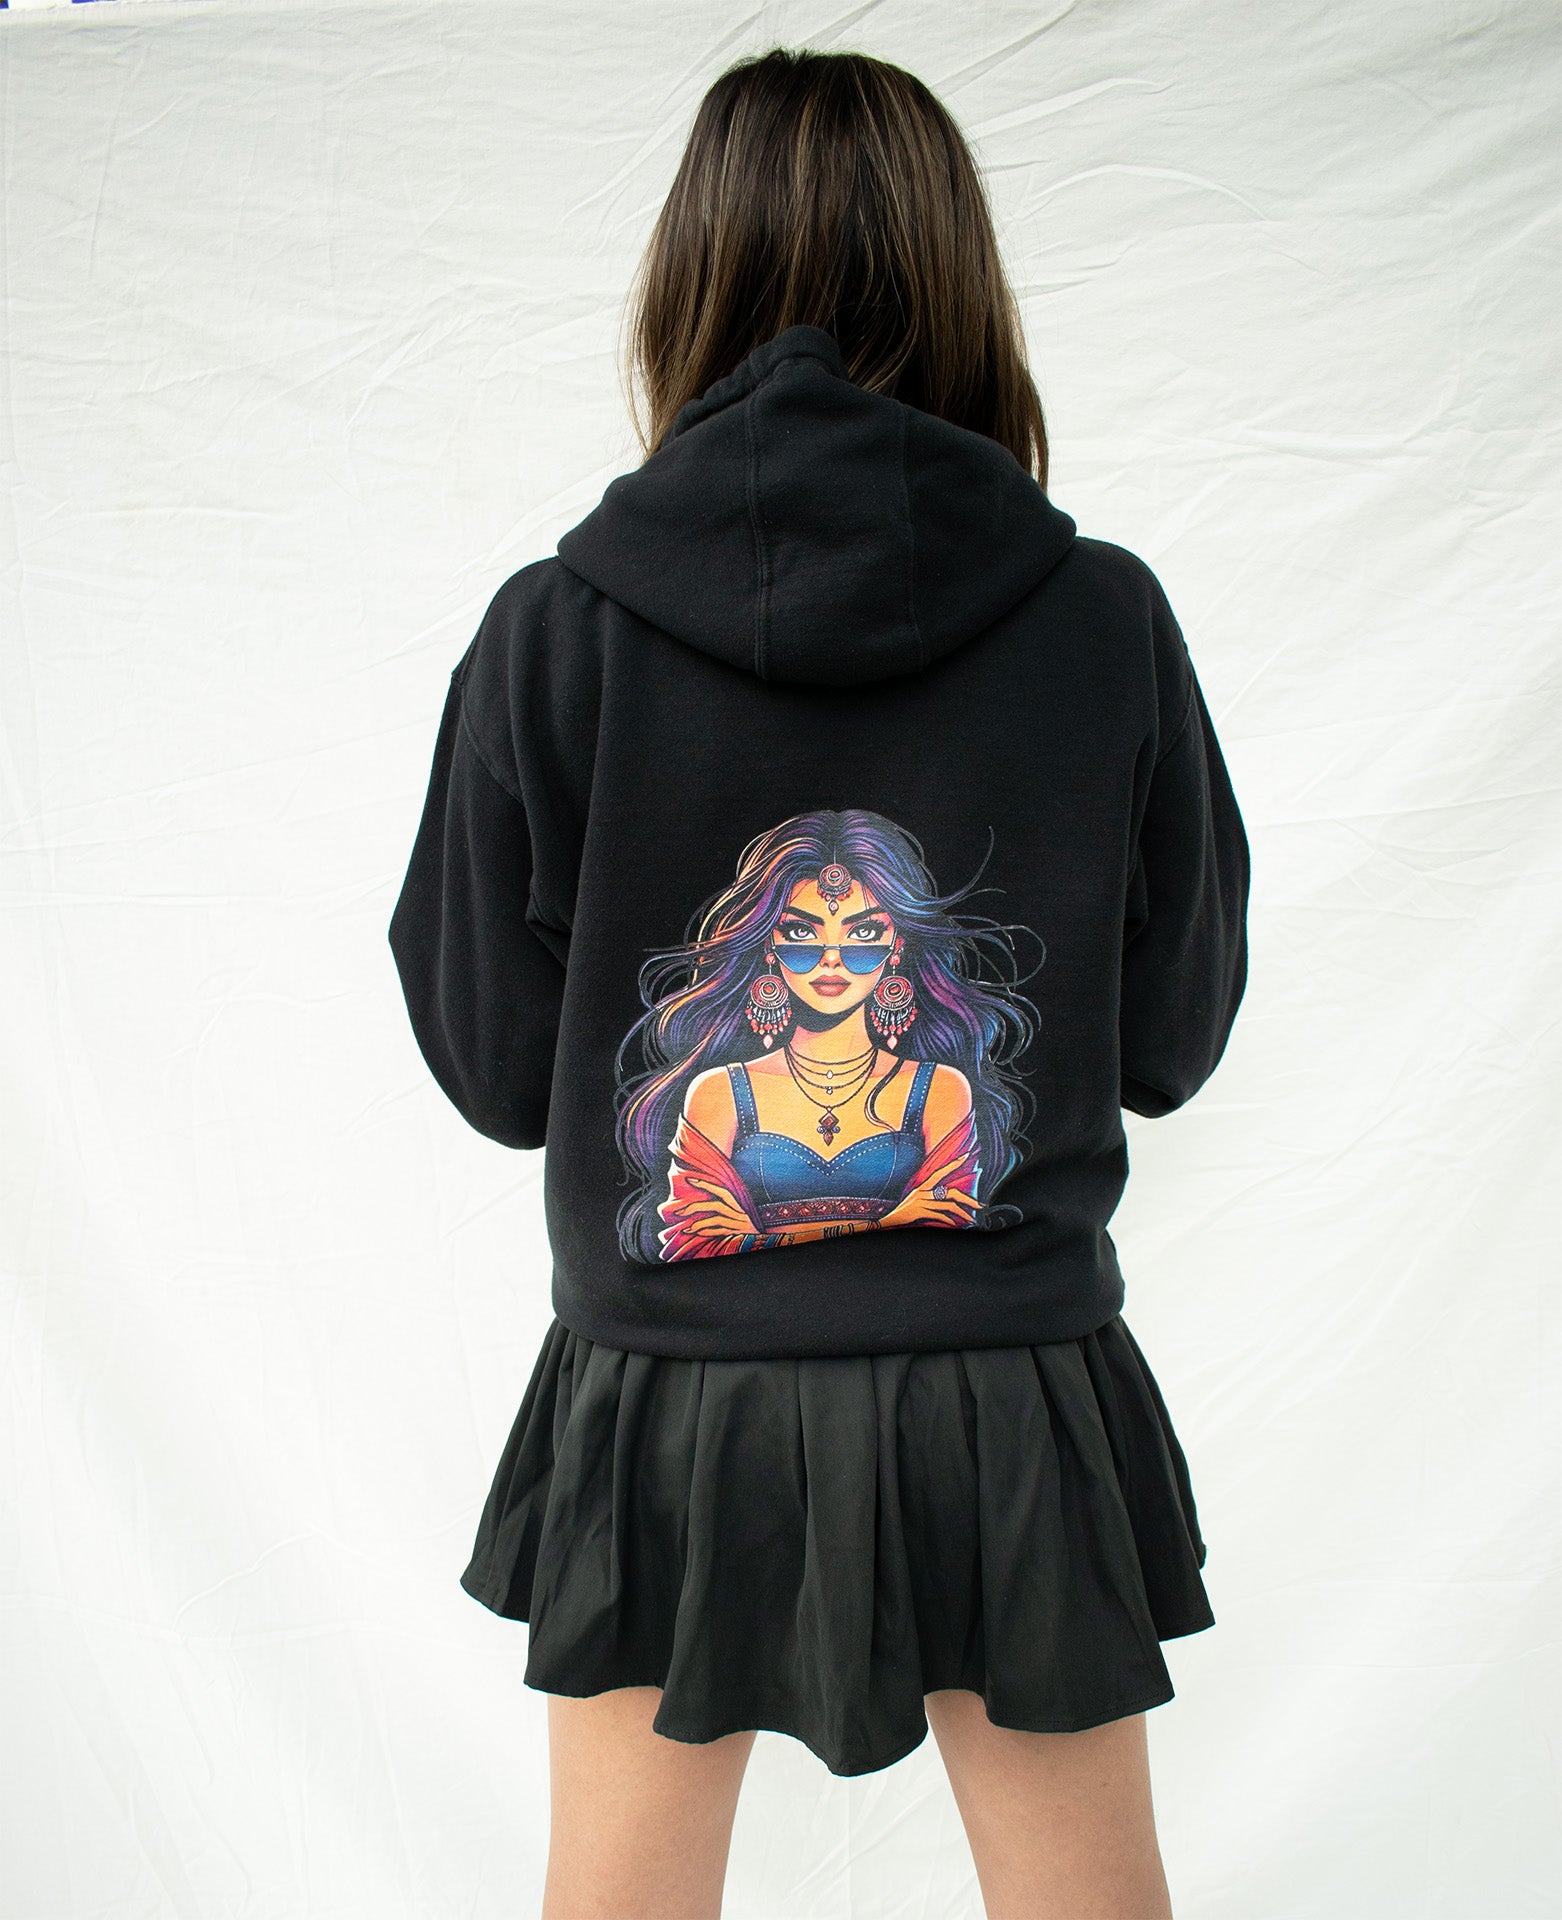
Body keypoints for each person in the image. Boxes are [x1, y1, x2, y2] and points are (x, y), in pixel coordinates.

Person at [388, 43, 1250, 1920]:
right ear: (963, 282)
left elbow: (495, 1064)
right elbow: (1172, 1036)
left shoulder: (556, 631)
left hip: (668, 1396)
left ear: (684, 282)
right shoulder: (1100, 617)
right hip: (1008, 1390)